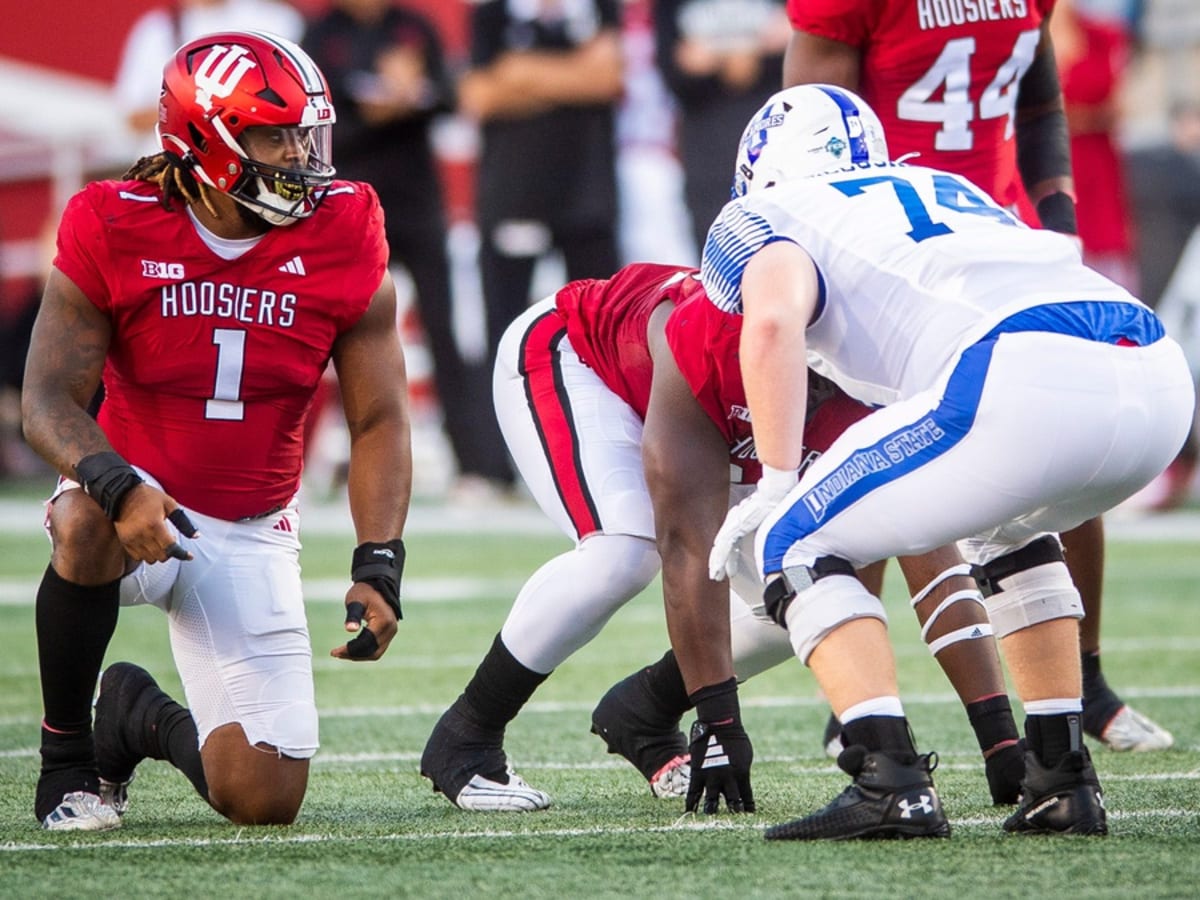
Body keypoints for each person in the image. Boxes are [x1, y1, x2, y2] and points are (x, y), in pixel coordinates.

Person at [693, 83, 1191, 839]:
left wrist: (779, 480)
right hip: (1154, 365)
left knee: (791, 539)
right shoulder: (943, 184)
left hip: (1020, 371)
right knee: (1010, 526)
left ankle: (889, 781)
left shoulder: (769, 215)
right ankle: (1061, 778)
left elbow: (768, 324)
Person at [418, 262, 1023, 812]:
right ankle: (467, 737)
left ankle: (646, 709)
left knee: (818, 587)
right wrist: (720, 720)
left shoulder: (885, 381)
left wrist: (1000, 740)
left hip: (709, 395)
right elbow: (687, 540)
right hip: (577, 360)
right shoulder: (704, 339)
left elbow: (933, 555)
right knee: (622, 553)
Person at [22, 31, 413, 831]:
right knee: (82, 518)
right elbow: (47, 402)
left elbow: (379, 416)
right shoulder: (113, 221)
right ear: (207, 141)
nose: (302, 154)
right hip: (130, 503)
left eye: (307, 132)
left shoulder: (345, 226)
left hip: (250, 525)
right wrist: (121, 485)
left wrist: (380, 561)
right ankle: (66, 762)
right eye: (276, 135)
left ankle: (134, 714)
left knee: (263, 800)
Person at [782, 0, 1174, 754]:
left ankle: (1081, 681)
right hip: (891, 251)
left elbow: (1038, 96)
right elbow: (810, 131)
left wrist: (1055, 220)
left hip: (1000, 231)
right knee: (875, 451)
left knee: (1064, 427)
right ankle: (863, 704)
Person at [302, 0, 498, 496]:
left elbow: (453, 98)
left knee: (443, 331)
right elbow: (312, 128)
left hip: (414, 203)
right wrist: (375, 109)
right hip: (346, 206)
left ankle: (475, 464)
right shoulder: (320, 35)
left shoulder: (414, 27)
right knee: (311, 333)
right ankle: (299, 462)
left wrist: (416, 92)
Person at [455, 0, 626, 491]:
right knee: (503, 332)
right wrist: (575, 76)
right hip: (514, 192)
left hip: (589, 195)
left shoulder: (598, 8)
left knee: (604, 338)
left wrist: (522, 73)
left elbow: (608, 80)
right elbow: (479, 97)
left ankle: (612, 457)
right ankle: (492, 467)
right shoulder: (490, 15)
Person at [653, 0, 791, 257]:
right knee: (717, 266)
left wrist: (717, 58)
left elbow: (804, 47)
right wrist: (757, 49)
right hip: (708, 157)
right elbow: (675, 71)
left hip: (780, 148)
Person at [113, 0, 305, 155]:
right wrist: (202, 107)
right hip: (175, 166)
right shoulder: (156, 30)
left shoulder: (275, 20)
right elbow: (132, 118)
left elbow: (294, 99)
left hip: (255, 160)